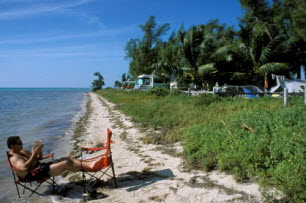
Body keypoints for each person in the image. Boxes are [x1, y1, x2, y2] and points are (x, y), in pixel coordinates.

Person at [7, 136, 100, 181]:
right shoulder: (14, 158)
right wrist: (34, 154)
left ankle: (91, 164)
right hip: (35, 174)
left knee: (67, 158)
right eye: (19, 143)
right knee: (65, 163)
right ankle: (91, 166)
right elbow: (24, 168)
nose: (22, 144)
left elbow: (39, 158)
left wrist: (39, 151)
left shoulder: (22, 151)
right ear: (12, 146)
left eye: (21, 142)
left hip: (40, 167)